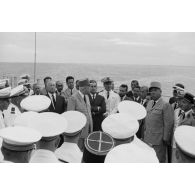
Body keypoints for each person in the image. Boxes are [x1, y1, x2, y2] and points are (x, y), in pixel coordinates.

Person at [144, 81, 174, 163]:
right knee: (148, 160)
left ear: (160, 91)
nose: (152, 92)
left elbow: (168, 123)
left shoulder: (165, 105)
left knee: (158, 160)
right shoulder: (149, 103)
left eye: (155, 90)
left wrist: (165, 139)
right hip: (148, 138)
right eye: (151, 90)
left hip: (158, 140)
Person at [67, 78, 93, 151]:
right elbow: (70, 116)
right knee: (78, 152)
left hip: (88, 130)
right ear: (85, 87)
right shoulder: (73, 98)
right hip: (79, 133)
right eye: (89, 86)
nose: (91, 88)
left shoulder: (87, 97)